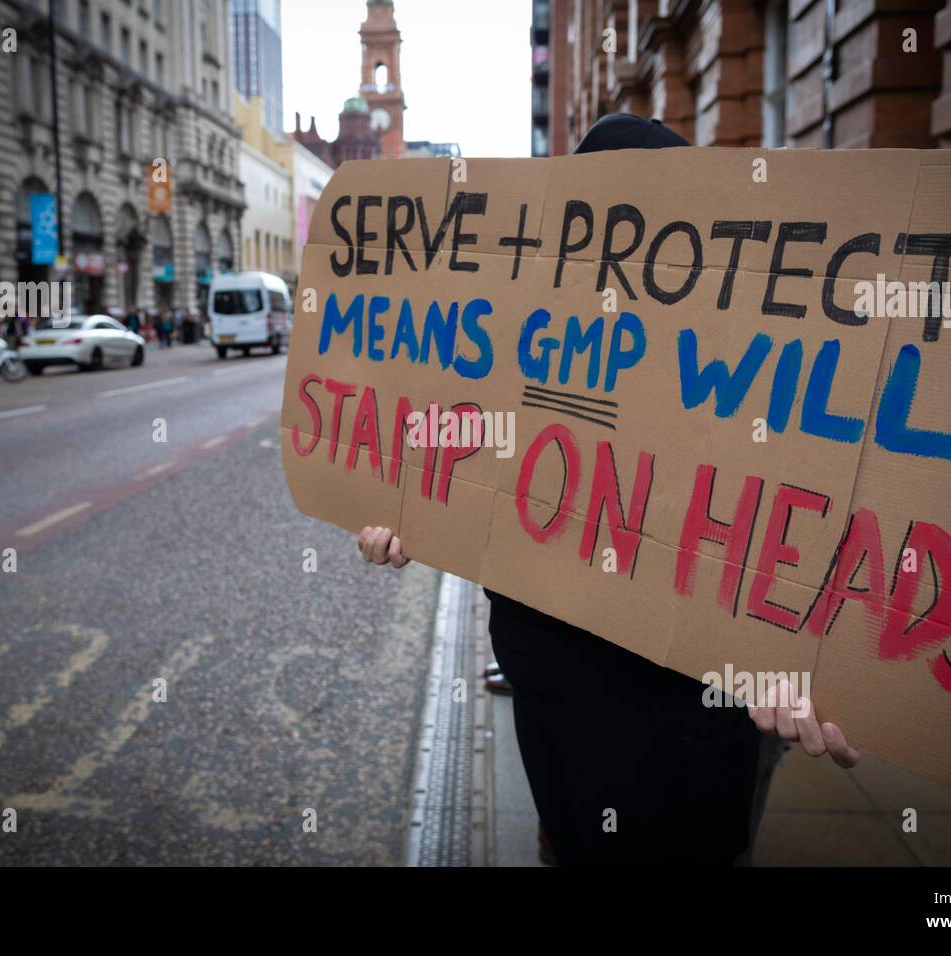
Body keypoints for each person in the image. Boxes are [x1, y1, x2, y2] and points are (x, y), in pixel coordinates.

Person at [356, 114, 860, 867]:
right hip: (554, 715)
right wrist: (401, 517)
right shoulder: (524, 349)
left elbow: (796, 533)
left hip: (684, 739)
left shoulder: (739, 374)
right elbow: (452, 450)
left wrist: (803, 666)